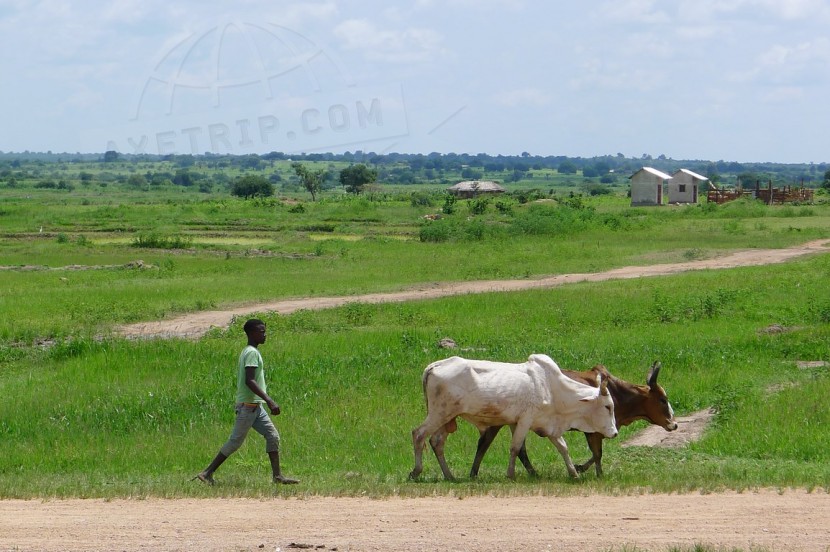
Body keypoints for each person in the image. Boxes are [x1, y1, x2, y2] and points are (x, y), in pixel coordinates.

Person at [193, 318, 299, 485]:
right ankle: (207, 473)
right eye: (261, 331)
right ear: (251, 333)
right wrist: (269, 400)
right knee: (235, 441)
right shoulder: (251, 352)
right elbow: (249, 380)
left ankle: (277, 476)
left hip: (255, 407)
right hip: (248, 407)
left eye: (265, 331)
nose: (265, 334)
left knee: (272, 436)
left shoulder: (251, 351)